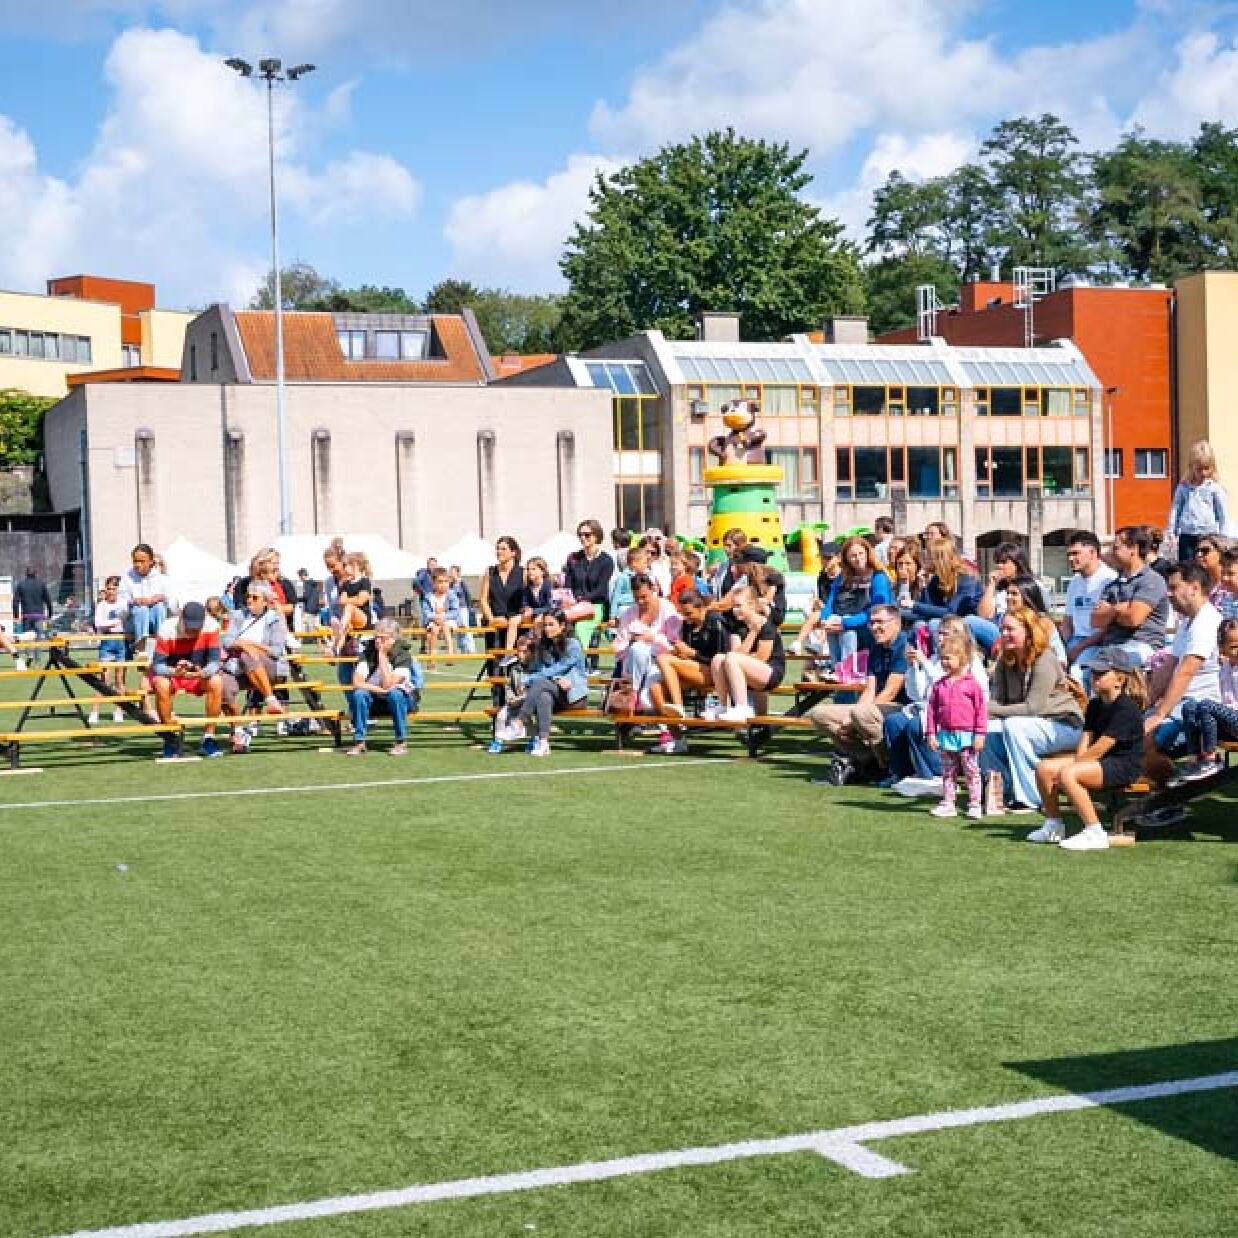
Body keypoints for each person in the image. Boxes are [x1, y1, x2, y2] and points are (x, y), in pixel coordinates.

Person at [1032, 648, 1147, 850]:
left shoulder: (1126, 709)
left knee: (1069, 774)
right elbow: (1086, 740)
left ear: (1119, 679)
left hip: (1123, 765)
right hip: (1100, 761)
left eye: (1101, 673)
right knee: (1044, 768)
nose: (1094, 677)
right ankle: (1054, 825)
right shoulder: (1094, 705)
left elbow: (1100, 749)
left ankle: (1094, 832)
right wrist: (1077, 762)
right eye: (1093, 672)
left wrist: (1071, 768)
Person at [982, 609, 1084, 813]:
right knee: (985, 730)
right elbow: (996, 701)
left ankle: (1032, 797)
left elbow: (1033, 707)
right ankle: (1001, 793)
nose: (1004, 634)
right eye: (1002, 629)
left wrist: (986, 708)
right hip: (1028, 724)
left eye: (1010, 629)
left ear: (1028, 631)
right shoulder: (1004, 660)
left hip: (1064, 724)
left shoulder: (1044, 658)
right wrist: (981, 714)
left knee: (1014, 726)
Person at [1141, 562, 1222, 786]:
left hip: (1198, 709)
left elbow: (1185, 672)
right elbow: (1169, 666)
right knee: (1129, 730)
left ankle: (1165, 794)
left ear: (1194, 588)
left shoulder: (1207, 622)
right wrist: (1147, 704)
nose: (1169, 594)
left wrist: (1159, 715)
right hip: (1179, 705)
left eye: (1174, 587)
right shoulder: (1188, 622)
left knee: (1149, 738)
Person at [884, 616, 986, 795]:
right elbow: (916, 694)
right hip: (926, 706)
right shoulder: (934, 659)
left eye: (944, 634)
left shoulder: (970, 662)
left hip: (957, 714)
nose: (939, 638)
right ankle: (900, 774)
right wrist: (914, 668)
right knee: (894, 722)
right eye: (939, 633)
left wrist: (924, 663)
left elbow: (946, 684)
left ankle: (932, 774)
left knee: (916, 725)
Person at [808, 604, 908, 783]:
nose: (875, 627)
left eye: (880, 622)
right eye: (872, 623)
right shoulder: (876, 647)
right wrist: (851, 717)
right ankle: (865, 760)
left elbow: (890, 692)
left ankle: (887, 765)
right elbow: (870, 689)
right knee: (819, 714)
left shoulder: (904, 646)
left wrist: (854, 719)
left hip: (901, 708)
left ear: (896, 623)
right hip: (876, 707)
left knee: (861, 714)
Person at [1079, 525, 1170, 673]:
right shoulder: (1112, 585)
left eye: (1116, 548)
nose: (1111, 553)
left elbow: (1134, 618)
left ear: (1133, 549)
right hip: (1110, 647)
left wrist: (1110, 611)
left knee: (1104, 670)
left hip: (1141, 646)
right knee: (1078, 671)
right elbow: (1096, 620)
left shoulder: (1152, 580)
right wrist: (1119, 609)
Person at [648, 588, 729, 754]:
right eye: (683, 613)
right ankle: (677, 739)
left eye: (689, 613)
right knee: (655, 688)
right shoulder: (687, 624)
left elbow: (722, 659)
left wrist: (692, 654)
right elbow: (688, 654)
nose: (686, 617)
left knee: (663, 659)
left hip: (715, 674)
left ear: (701, 607)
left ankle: (678, 707)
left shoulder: (716, 621)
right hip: (694, 670)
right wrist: (680, 653)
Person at [219, 581, 290, 750]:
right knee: (221, 685)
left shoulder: (275, 618)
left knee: (248, 655)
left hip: (270, 666)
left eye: (255, 597)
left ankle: (271, 700)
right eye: (248, 596)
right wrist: (243, 645)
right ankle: (238, 732)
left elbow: (276, 651)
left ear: (265, 601)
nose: (249, 600)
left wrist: (249, 645)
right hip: (239, 667)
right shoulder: (238, 615)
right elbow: (227, 641)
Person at [925, 631, 988, 819]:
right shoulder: (939, 686)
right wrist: (931, 733)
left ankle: (975, 803)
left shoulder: (972, 685)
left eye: (949, 658)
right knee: (948, 771)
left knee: (971, 770)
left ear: (963, 659)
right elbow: (931, 711)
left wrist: (980, 734)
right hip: (946, 734)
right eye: (942, 658)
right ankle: (948, 802)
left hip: (967, 735)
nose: (944, 662)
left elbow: (981, 711)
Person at [150, 600, 223, 759]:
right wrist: (174, 671)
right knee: (161, 684)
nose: (193, 631)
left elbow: (215, 662)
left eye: (197, 628)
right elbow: (157, 666)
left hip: (198, 675)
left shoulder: (212, 626)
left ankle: (209, 737)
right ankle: (169, 737)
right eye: (190, 627)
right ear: (181, 618)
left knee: (216, 681)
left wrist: (202, 673)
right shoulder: (167, 628)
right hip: (172, 674)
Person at [513, 609, 589, 757]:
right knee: (543, 696)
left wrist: (527, 680)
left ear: (562, 625)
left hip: (575, 696)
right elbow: (543, 669)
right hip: (555, 694)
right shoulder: (544, 644)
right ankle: (543, 743)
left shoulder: (573, 644)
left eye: (551, 624)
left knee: (540, 683)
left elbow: (559, 668)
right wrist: (555, 679)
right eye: (545, 625)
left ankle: (520, 721)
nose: (547, 628)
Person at [707, 585, 785, 723]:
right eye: (734, 606)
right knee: (718, 658)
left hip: (770, 672)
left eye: (739, 606)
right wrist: (752, 633)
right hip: (747, 670)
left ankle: (742, 708)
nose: (734, 610)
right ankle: (723, 705)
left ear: (751, 605)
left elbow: (762, 658)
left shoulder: (766, 625)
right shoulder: (737, 627)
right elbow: (736, 654)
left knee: (731, 658)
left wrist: (741, 658)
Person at [810, 535, 893, 664]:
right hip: (842, 622)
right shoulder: (842, 577)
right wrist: (825, 620)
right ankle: (837, 667)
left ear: (867, 553)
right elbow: (831, 602)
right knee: (832, 626)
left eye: (861, 553)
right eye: (853, 556)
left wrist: (846, 623)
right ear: (847, 559)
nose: (858, 558)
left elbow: (877, 610)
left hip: (870, 625)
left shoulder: (878, 576)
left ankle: (847, 668)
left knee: (847, 631)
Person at [1174, 618, 1238, 784]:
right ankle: (1194, 760)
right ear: (1222, 648)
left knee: (1206, 705)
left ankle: (1211, 759)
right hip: (1229, 721)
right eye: (1233, 647)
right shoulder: (1224, 668)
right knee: (1190, 706)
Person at [346, 618, 421, 756]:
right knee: (359, 694)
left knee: (395, 694)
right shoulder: (368, 653)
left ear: (393, 639)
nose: (378, 641)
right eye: (376, 637)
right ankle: (359, 741)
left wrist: (382, 655)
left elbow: (389, 684)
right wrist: (379, 690)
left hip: (402, 701)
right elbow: (357, 682)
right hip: (375, 698)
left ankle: (400, 741)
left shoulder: (403, 656)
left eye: (383, 638)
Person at [911, 540, 999, 653]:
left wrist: (915, 605)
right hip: (956, 623)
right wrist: (924, 586)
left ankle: (944, 657)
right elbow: (928, 609)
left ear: (939, 559)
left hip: (979, 625)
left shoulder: (966, 577)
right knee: (920, 624)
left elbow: (952, 612)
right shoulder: (936, 579)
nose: (925, 560)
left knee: (937, 623)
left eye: (929, 556)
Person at [613, 573, 681, 711]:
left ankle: (637, 696)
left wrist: (653, 638)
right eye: (636, 598)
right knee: (637, 649)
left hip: (661, 660)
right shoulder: (629, 613)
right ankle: (633, 692)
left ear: (653, 589)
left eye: (644, 597)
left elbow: (675, 644)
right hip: (632, 663)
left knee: (646, 702)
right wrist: (632, 641)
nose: (640, 601)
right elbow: (618, 647)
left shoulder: (667, 608)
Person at [1060, 530, 1117, 666]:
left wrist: (1077, 649)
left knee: (1076, 673)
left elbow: (1107, 629)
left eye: (1076, 553)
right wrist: (1061, 648)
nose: (1071, 559)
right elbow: (1067, 621)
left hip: (1096, 643)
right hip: (1074, 641)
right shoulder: (1075, 581)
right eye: (1069, 554)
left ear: (1092, 553)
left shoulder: (1110, 580)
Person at [1168, 440, 1228, 562]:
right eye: (1199, 469)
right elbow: (1176, 509)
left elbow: (1222, 513)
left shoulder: (1214, 488)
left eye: (1207, 468)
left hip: (1208, 535)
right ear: (1192, 467)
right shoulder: (1184, 487)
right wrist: (1171, 532)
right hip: (1187, 535)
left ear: (1212, 467)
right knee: (1187, 566)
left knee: (1205, 565)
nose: (1203, 473)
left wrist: (1223, 537)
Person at [89, 575, 128, 726]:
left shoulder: (123, 604)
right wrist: (115, 622)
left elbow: (127, 621)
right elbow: (99, 623)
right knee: (104, 679)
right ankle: (95, 711)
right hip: (107, 641)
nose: (111, 591)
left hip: (121, 641)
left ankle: (119, 710)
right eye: (109, 588)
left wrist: (115, 623)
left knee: (120, 679)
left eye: (114, 588)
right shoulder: (102, 605)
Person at [479, 535, 525, 657]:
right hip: (495, 623)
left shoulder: (523, 572)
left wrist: (515, 619)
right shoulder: (490, 572)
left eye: (503, 549)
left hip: (516, 625)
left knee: (515, 661)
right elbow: (483, 600)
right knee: (494, 662)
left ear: (513, 552)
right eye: (497, 549)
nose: (499, 552)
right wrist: (492, 620)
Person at [422, 569, 466, 667]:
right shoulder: (428, 597)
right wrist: (435, 618)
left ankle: (450, 654)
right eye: (440, 582)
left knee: (446, 628)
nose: (444, 584)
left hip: (449, 620)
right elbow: (426, 612)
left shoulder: (451, 594)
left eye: (446, 581)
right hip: (434, 620)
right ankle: (432, 659)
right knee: (433, 631)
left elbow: (455, 611)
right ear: (433, 583)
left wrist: (443, 617)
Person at [331, 551, 373, 653]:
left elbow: (361, 601)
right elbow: (341, 601)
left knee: (349, 607)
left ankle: (340, 630)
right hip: (350, 620)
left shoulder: (365, 581)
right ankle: (336, 649)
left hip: (363, 618)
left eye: (346, 565)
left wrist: (350, 601)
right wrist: (356, 599)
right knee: (344, 621)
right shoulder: (346, 583)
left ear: (355, 565)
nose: (344, 568)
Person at [1191, 533, 1229, 610]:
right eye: (1197, 551)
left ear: (1221, 553)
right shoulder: (1195, 585)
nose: (1199, 554)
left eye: (1205, 551)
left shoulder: (1230, 586)